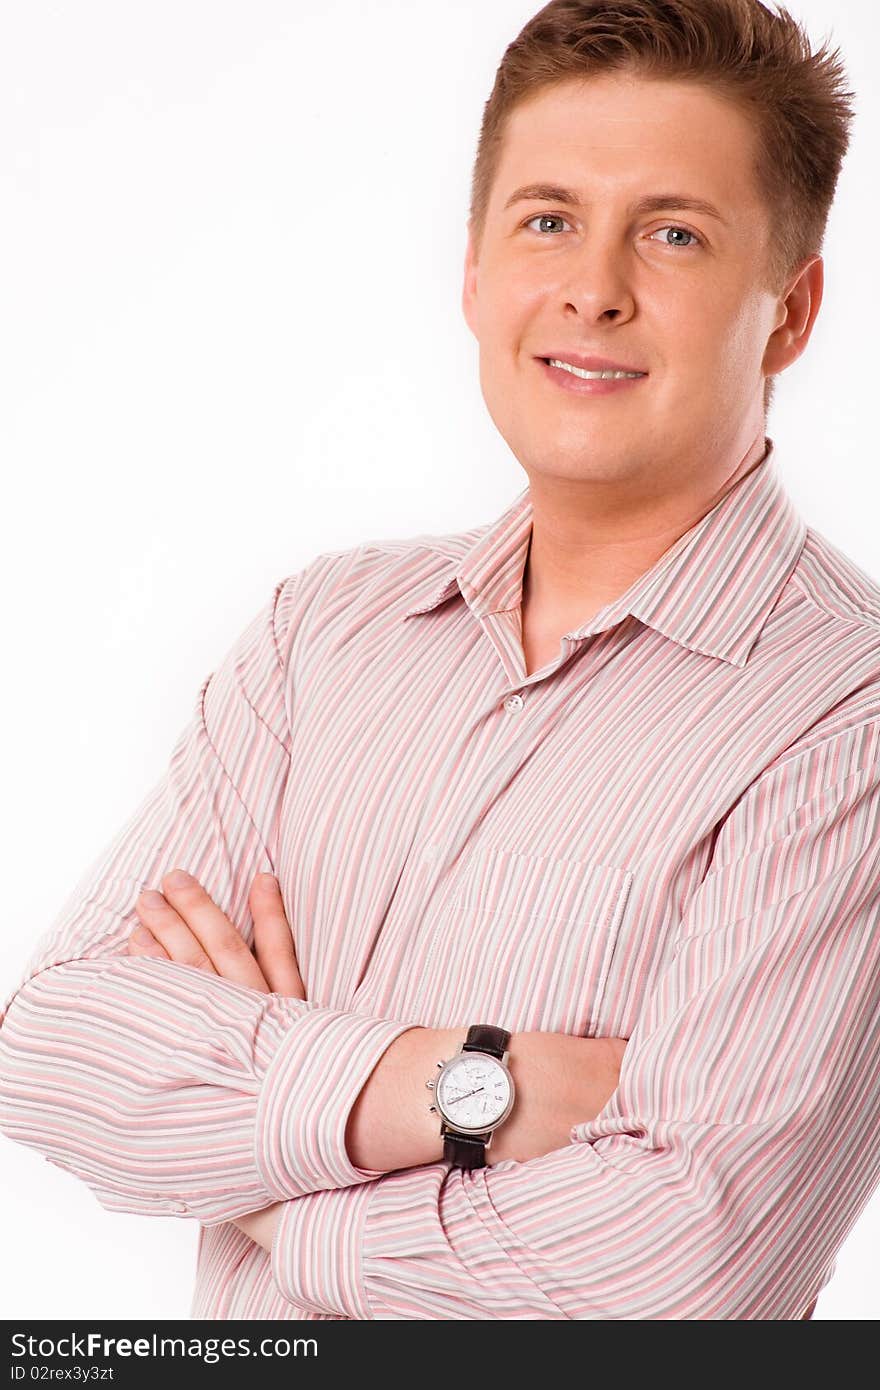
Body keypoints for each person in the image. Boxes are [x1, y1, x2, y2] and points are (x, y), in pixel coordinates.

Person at [0, 0, 876, 1321]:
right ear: (472, 271)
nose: (595, 286)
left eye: (674, 232)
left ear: (791, 310)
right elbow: (54, 1046)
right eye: (547, 220)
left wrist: (271, 1173)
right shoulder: (324, 637)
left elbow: (687, 1266)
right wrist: (477, 1085)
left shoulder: (845, 715)